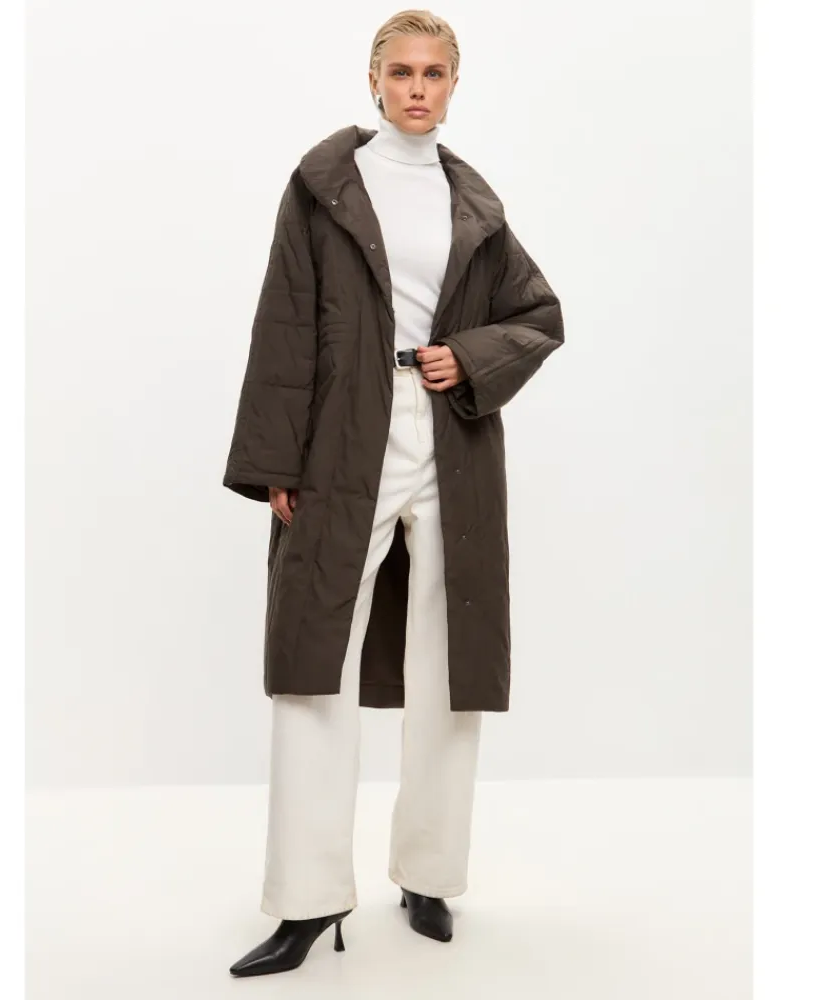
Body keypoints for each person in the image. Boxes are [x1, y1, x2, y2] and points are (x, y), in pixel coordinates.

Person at [223, 9, 564, 978]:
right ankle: (306, 898)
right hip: (343, 437)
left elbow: (539, 316)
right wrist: (278, 462)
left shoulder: (474, 202)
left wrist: (472, 356)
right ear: (374, 80)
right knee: (310, 664)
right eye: (402, 71)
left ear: (454, 85)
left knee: (448, 659)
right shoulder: (323, 185)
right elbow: (285, 322)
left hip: (450, 438)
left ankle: (428, 874)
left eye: (434, 73)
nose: (418, 88)